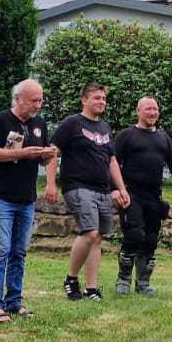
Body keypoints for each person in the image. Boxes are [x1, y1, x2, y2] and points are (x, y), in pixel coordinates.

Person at [0, 79, 57, 323]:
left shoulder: (39, 124)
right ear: (18, 99)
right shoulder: (0, 120)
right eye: (34, 100)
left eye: (41, 100)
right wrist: (22, 153)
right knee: (1, 250)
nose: (38, 105)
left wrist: (47, 156)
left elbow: (43, 159)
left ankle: (14, 301)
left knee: (19, 252)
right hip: (1, 198)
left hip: (26, 199)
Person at [46, 83, 131, 302]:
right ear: (84, 100)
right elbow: (52, 151)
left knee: (97, 238)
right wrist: (51, 183)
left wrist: (121, 188)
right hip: (77, 186)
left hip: (102, 189)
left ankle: (91, 289)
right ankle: (71, 279)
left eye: (103, 98)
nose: (101, 101)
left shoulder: (105, 127)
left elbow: (112, 161)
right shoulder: (72, 123)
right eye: (97, 98)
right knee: (90, 232)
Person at [112, 97, 172, 295]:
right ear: (138, 111)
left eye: (155, 109)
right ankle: (123, 279)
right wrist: (115, 189)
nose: (153, 112)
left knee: (150, 239)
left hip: (154, 197)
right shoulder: (126, 135)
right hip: (131, 195)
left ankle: (143, 283)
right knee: (134, 234)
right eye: (148, 109)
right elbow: (112, 163)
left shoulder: (163, 138)